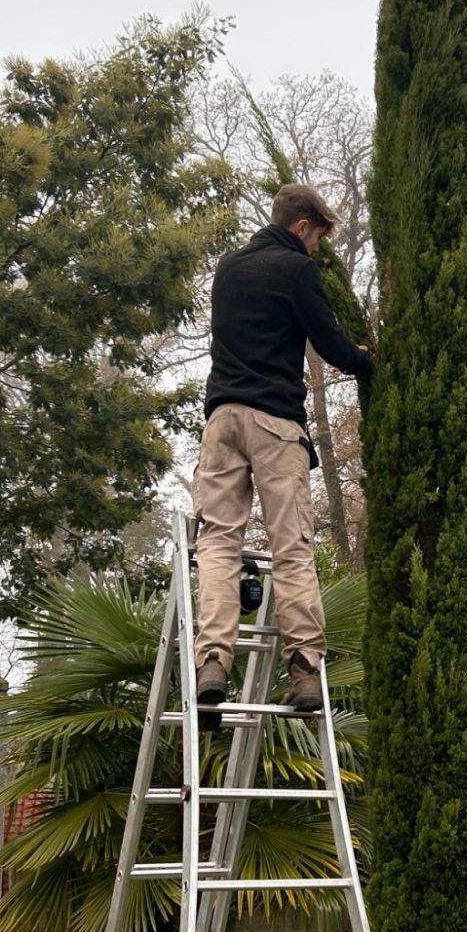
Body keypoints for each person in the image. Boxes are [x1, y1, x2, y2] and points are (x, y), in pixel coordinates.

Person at [192, 183, 373, 713]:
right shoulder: (296, 271)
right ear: (301, 227)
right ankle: (305, 672)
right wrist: (370, 359)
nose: (317, 249)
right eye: (317, 238)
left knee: (218, 545)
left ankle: (212, 664)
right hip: (274, 423)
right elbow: (332, 346)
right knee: (291, 547)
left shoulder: (227, 268)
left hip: (221, 422)